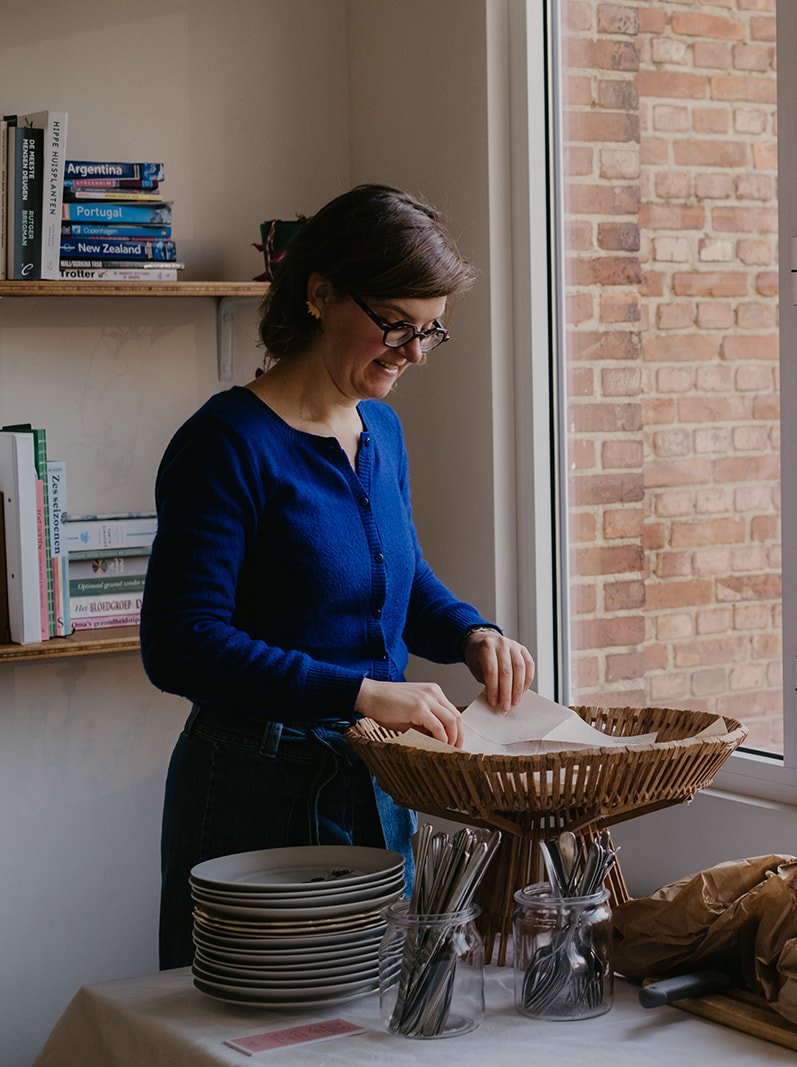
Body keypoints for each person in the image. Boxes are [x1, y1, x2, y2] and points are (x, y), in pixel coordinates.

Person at [140, 184, 535, 969]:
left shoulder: (380, 428)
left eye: (431, 331)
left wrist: (469, 630)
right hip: (253, 795)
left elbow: (400, 577)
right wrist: (359, 691)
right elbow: (180, 644)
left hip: (375, 781)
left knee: (378, 1019)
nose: (413, 352)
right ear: (319, 293)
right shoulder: (225, 444)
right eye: (396, 323)